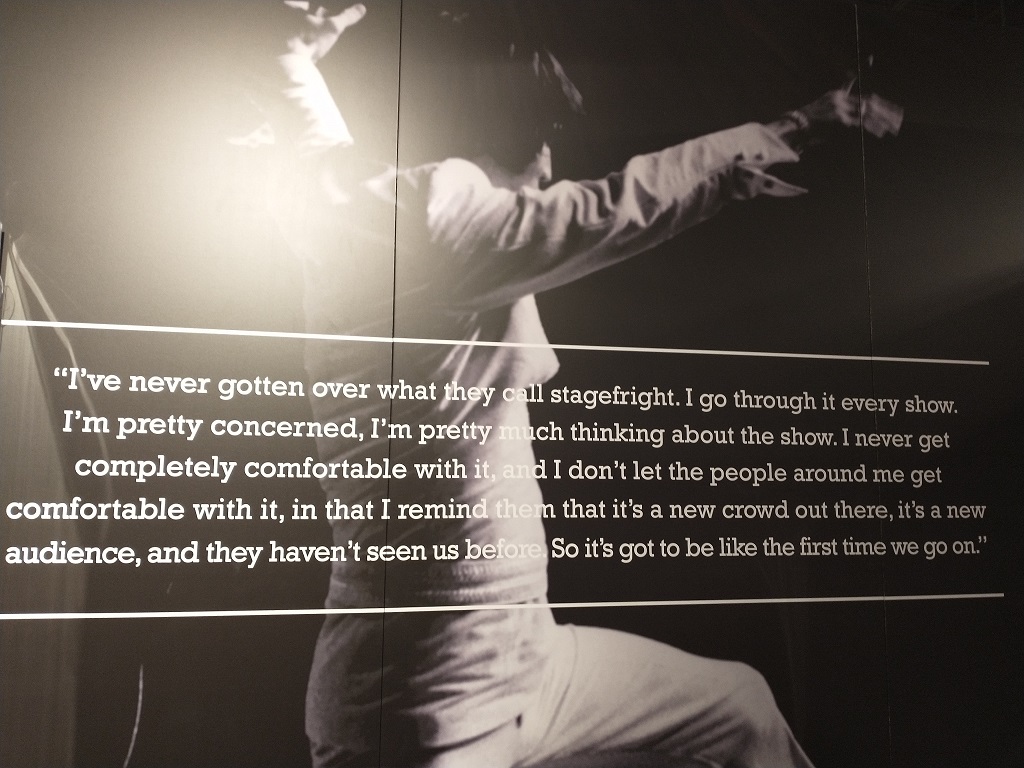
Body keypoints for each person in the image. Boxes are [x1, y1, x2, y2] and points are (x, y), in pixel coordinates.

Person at [252, 3, 900, 766]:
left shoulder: (358, 200)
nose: (548, 170)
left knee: (741, 712)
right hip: (425, 701)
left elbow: (310, 133)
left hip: (530, 658)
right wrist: (793, 128)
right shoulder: (436, 223)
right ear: (474, 144)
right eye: (538, 146)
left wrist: (291, 55)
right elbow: (617, 208)